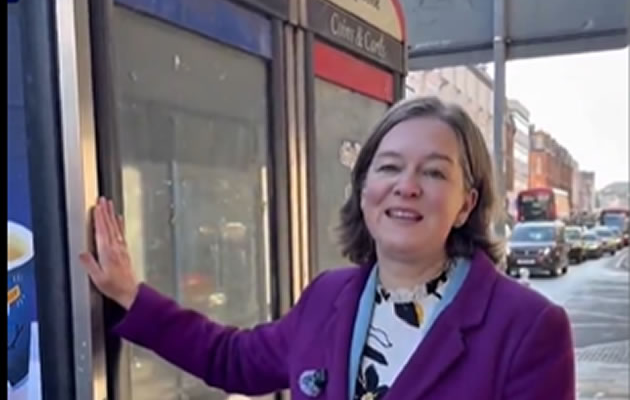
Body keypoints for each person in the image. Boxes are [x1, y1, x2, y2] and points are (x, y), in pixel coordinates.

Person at [80, 96, 575, 399]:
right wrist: (130, 295)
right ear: (364, 190)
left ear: (466, 204)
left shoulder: (528, 327)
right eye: (389, 167)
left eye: (433, 172)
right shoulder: (328, 297)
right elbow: (232, 359)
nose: (406, 186)